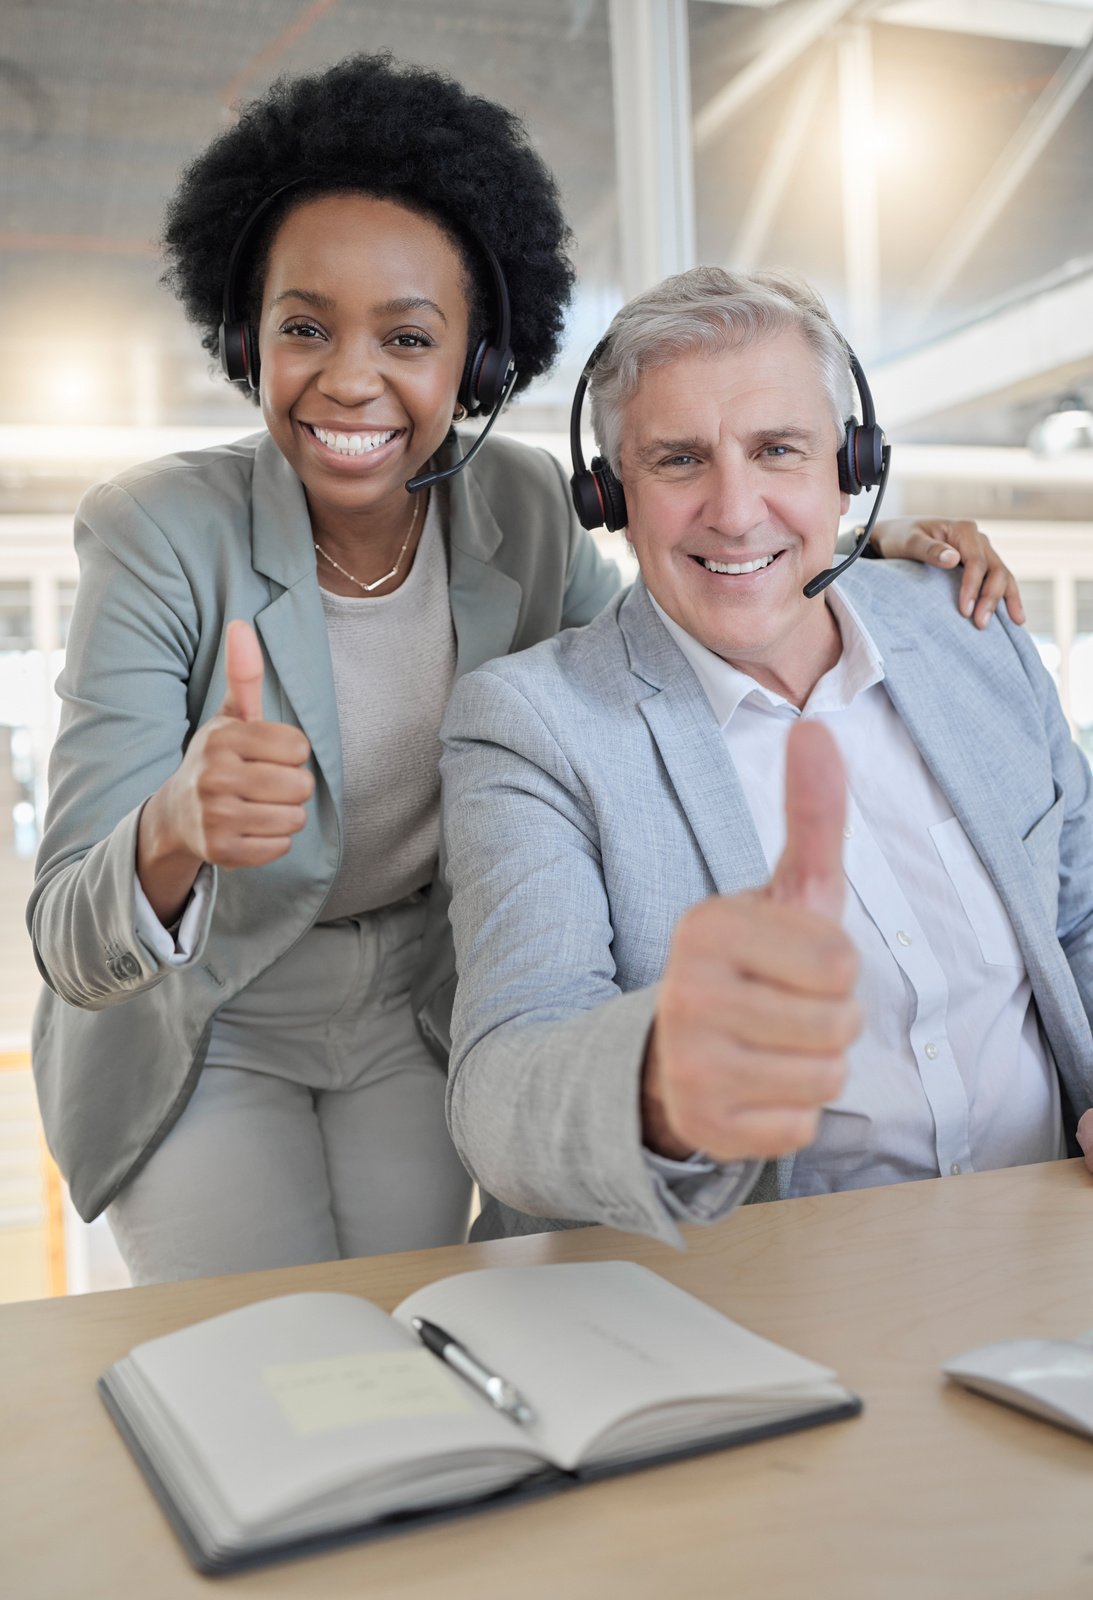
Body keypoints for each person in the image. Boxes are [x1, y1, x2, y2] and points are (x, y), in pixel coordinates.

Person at [28, 55, 1020, 1286]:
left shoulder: (524, 510)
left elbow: (675, 615)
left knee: (409, 1333)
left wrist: (864, 553)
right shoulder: (155, 533)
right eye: (303, 328)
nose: (349, 376)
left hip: (410, 1005)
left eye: (406, 336)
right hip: (207, 1013)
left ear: (479, 367)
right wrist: (173, 827)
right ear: (246, 340)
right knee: (263, 1341)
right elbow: (68, 932)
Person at [439, 266, 1093, 1246]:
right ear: (609, 495)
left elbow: (1081, 917)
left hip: (1047, 1243)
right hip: (762, 1295)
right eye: (677, 460)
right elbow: (501, 1084)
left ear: (851, 465)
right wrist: (661, 1076)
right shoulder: (532, 726)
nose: (735, 510)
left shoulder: (972, 629)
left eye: (777, 449)